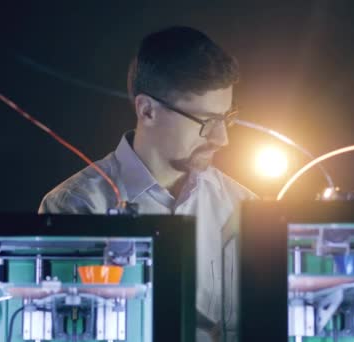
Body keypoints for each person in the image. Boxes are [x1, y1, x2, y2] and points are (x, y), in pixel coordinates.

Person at [38, 26, 256, 340]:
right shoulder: (74, 205)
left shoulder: (243, 205)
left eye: (226, 118)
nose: (222, 138)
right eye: (207, 122)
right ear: (147, 110)